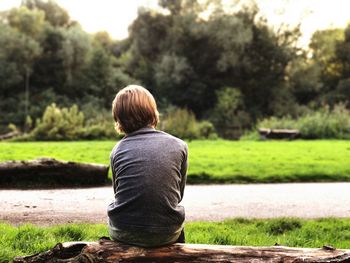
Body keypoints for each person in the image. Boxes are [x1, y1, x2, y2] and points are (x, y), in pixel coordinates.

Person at [107, 85, 188, 247]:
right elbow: (178, 195)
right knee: (174, 216)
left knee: (114, 207)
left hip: (124, 232)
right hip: (167, 232)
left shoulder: (117, 150)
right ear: (152, 111)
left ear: (119, 119)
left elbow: (119, 194)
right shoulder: (179, 145)